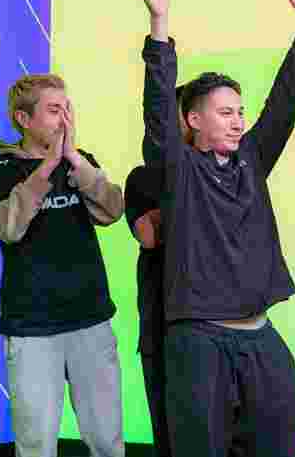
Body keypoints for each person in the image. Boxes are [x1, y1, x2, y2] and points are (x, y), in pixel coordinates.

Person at [129, 0, 295, 456]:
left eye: (239, 112)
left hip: (258, 335)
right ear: (194, 120)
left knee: (282, 429)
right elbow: (157, 109)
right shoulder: (179, 169)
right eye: (225, 112)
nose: (238, 122)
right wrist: (159, 26)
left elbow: (285, 102)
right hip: (199, 342)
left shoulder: (252, 160)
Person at [0, 74, 125, 457]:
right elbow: (7, 228)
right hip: (31, 327)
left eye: (67, 109)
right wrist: (46, 168)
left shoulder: (81, 162)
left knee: (107, 439)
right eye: (54, 110)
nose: (64, 120)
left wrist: (74, 161)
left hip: (91, 320)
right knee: (36, 444)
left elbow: (112, 210)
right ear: (24, 119)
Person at [123, 163, 168, 457]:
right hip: (160, 327)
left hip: (214, 325)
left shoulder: (224, 171)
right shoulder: (143, 177)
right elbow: (149, 236)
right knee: (167, 433)